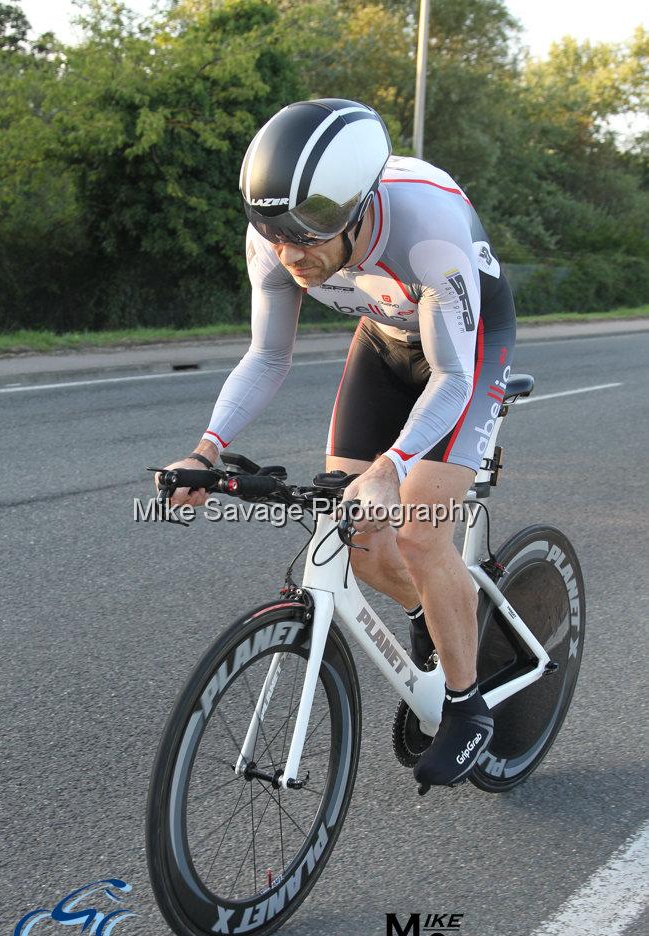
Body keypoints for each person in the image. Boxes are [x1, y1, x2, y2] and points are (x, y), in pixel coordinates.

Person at [158, 98, 516, 788]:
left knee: (417, 530)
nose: (288, 255)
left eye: (306, 240)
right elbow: (267, 357)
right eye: (274, 234)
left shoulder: (427, 231)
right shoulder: (275, 235)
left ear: (356, 213)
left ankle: (469, 708)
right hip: (383, 339)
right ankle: (426, 612)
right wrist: (205, 451)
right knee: (359, 532)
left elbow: (450, 375)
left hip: (465, 353)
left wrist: (392, 466)